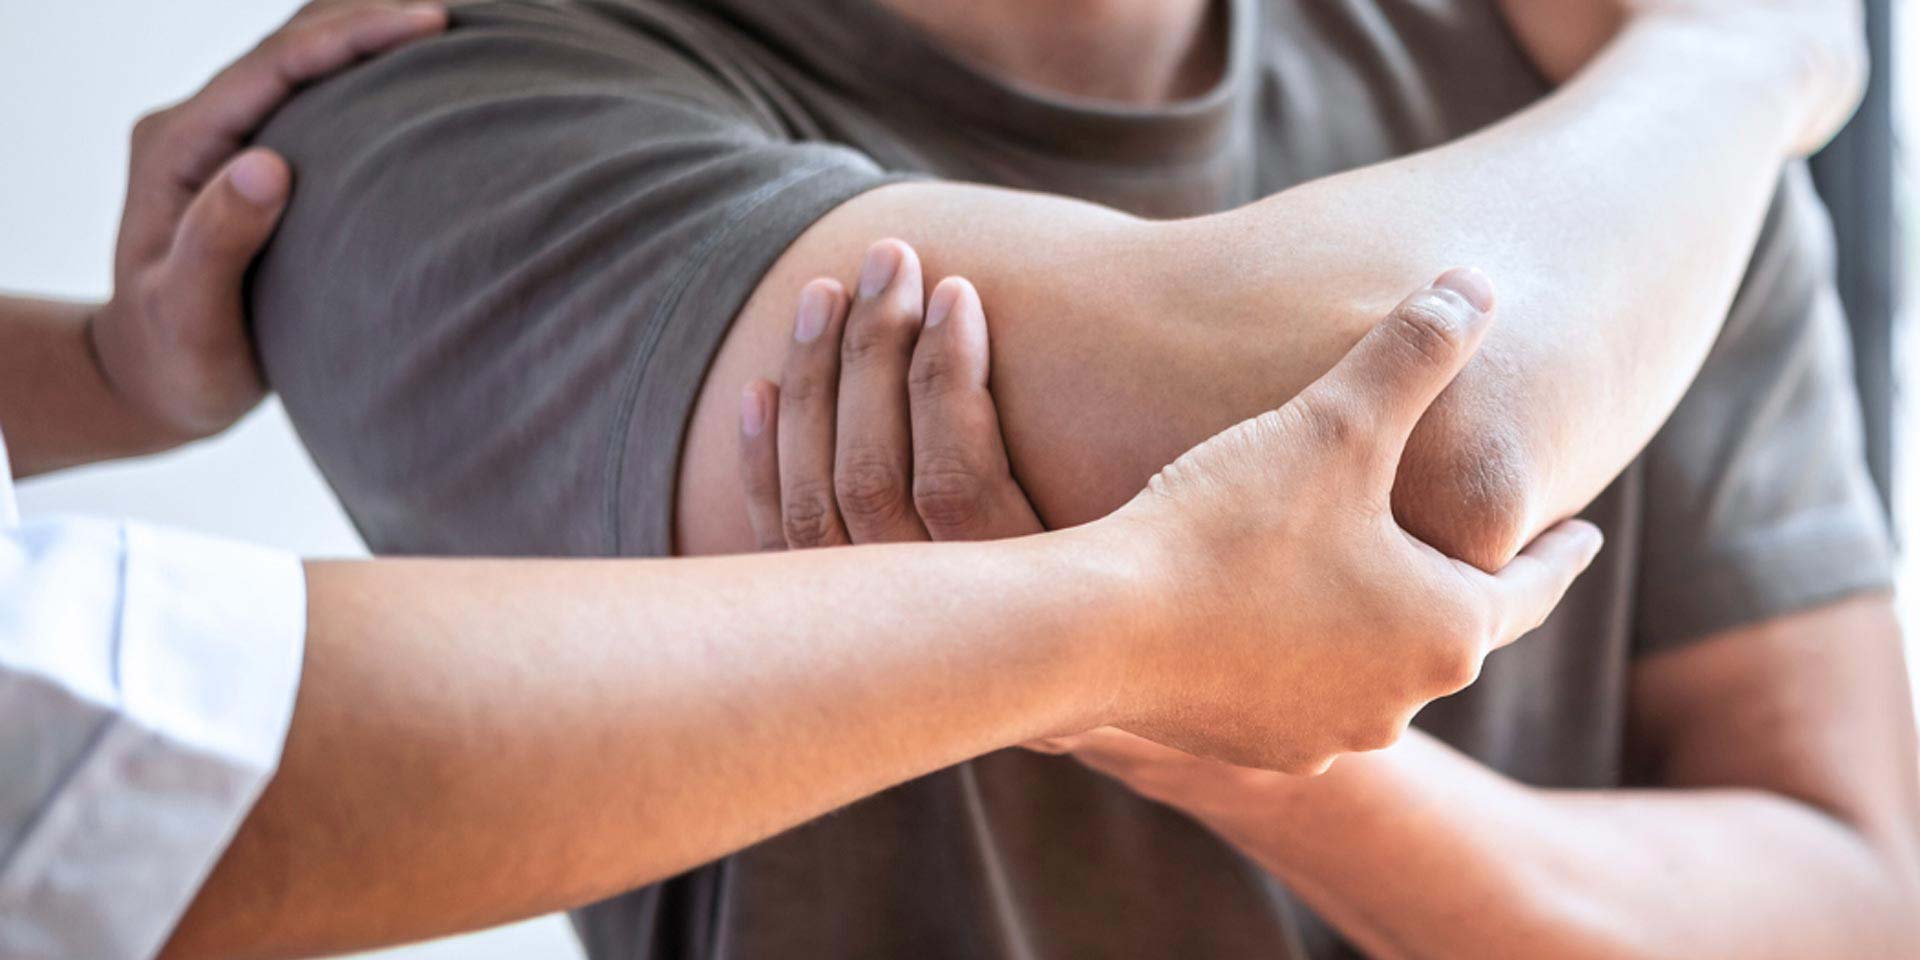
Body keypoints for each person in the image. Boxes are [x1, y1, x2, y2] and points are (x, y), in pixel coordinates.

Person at [240, 0, 1920, 956]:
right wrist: (1746, 63)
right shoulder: (441, 127)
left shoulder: (1581, 95)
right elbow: (1422, 454)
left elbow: (1852, 895)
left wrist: (1255, 740)